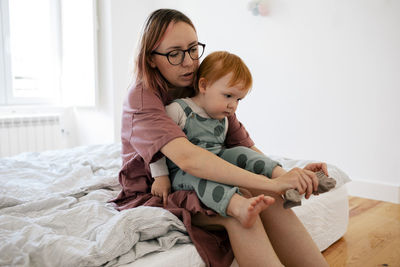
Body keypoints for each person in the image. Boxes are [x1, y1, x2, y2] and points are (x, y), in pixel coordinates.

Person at [112, 8, 329, 267]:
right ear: (150, 59)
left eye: (193, 49)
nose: (189, 62)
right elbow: (189, 160)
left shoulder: (201, 84)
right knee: (241, 207)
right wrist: (272, 184)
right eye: (174, 54)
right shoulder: (142, 97)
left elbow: (241, 146)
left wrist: (286, 176)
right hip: (161, 187)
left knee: (268, 198)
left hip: (203, 173)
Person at [150, 51, 282, 228]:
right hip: (184, 173)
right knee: (200, 178)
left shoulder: (224, 119)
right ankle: (237, 206)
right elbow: (156, 144)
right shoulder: (178, 109)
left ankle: (281, 176)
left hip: (215, 164)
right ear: (204, 85)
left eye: (238, 99)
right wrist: (160, 176)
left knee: (240, 152)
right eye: (228, 96)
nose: (233, 105)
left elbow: (236, 150)